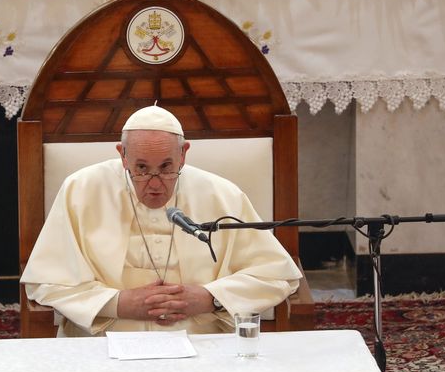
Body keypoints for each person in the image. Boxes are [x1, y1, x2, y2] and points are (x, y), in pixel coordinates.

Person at [20, 105, 302, 336]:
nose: (154, 184)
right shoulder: (81, 190)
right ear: (122, 155)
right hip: (105, 337)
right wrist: (119, 304)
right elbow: (46, 282)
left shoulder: (221, 194)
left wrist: (210, 298)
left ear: (183, 154)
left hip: (201, 338)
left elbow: (278, 275)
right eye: (141, 168)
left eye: (166, 168)